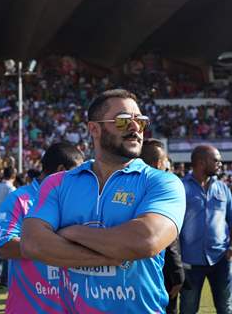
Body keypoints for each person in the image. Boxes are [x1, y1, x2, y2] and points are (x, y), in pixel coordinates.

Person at [21, 89, 186, 313]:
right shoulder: (58, 183)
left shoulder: (163, 182)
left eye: (140, 121)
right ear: (94, 128)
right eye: (123, 121)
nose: (135, 127)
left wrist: (72, 232)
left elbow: (145, 241)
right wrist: (113, 255)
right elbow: (33, 243)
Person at [0, 142, 84, 314]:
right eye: (77, 173)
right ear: (61, 170)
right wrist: (55, 247)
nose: (81, 180)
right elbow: (5, 246)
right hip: (29, 308)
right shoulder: (19, 199)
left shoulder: (75, 201)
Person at [179, 145, 232, 314]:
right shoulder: (180, 188)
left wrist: (231, 248)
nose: (220, 163)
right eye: (215, 160)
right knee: (188, 308)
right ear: (201, 162)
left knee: (225, 308)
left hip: (221, 260)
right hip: (190, 261)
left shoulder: (223, 187)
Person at [141, 138, 185, 314]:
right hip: (160, 273)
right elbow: (169, 239)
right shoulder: (164, 185)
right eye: (166, 160)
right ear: (159, 163)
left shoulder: (126, 183)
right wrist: (177, 274)